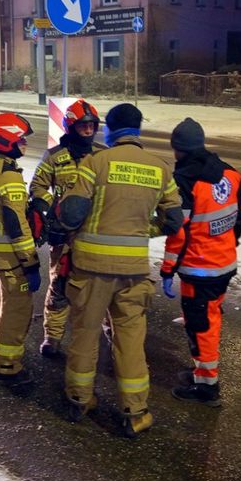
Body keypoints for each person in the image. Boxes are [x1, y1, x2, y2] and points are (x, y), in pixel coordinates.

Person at [56, 103, 184, 437]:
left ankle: (79, 400)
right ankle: (135, 412)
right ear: (138, 129)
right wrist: (144, 229)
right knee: (130, 340)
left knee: (85, 335)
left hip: (91, 269)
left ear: (110, 130)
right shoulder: (160, 168)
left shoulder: (94, 163)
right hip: (133, 271)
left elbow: (70, 214)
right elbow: (173, 221)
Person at [160, 118, 241, 408]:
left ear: (178, 150)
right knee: (210, 318)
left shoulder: (184, 181)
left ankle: (207, 387)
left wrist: (168, 268)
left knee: (200, 327)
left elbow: (179, 231)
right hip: (224, 264)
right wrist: (226, 245)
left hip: (199, 270)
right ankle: (201, 373)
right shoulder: (230, 173)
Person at [28, 99, 101, 359]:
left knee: (98, 289)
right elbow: (37, 188)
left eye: (92, 125)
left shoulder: (102, 156)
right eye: (83, 126)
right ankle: (53, 337)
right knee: (59, 287)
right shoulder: (54, 157)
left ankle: (107, 333)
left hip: (95, 234)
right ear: (71, 126)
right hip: (65, 237)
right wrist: (54, 214)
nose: (89, 130)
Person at [0, 112, 41, 389]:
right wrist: (31, 263)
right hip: (12, 261)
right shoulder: (9, 178)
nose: (24, 143)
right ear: (6, 140)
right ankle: (7, 368)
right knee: (15, 313)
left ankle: (1, 353)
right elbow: (17, 227)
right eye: (20, 139)